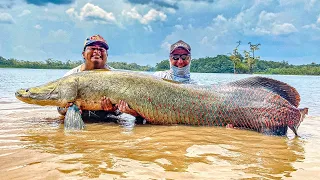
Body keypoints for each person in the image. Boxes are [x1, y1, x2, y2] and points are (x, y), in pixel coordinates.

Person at [58, 34, 118, 122]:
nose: (97, 51)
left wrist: (114, 109)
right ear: (83, 54)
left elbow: (123, 109)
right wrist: (66, 109)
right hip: (80, 118)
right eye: (93, 48)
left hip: (107, 119)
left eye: (101, 49)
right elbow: (59, 107)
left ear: (107, 55)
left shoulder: (116, 76)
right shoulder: (71, 76)